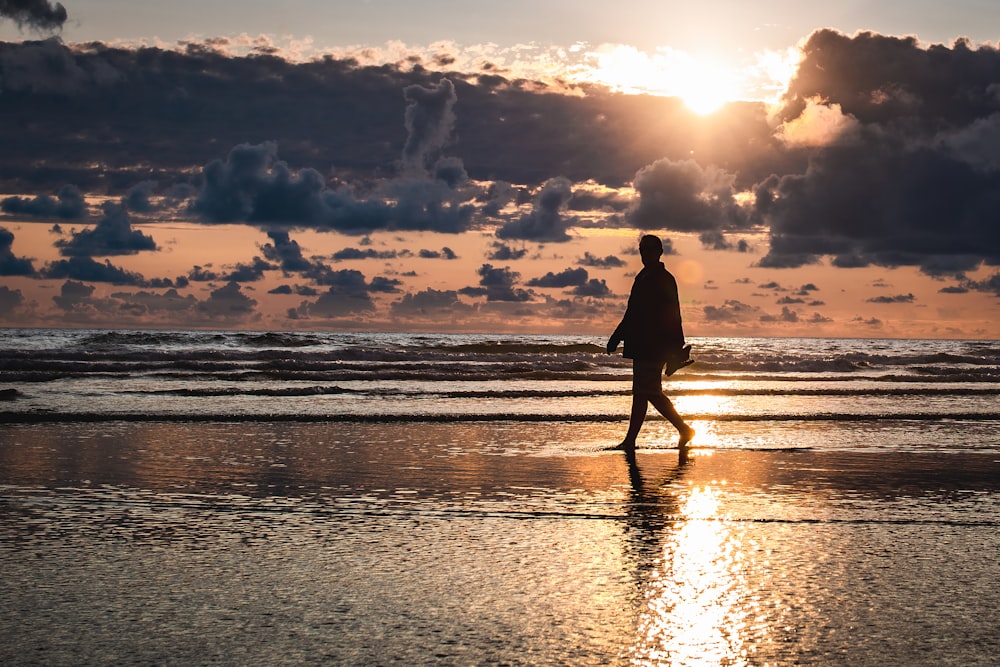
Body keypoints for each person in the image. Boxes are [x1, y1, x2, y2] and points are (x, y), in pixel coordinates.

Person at [607, 234, 694, 453]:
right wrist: (618, 335)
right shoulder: (643, 276)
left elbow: (674, 314)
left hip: (654, 346)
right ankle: (681, 429)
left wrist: (675, 348)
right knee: (646, 392)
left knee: (645, 392)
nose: (645, 255)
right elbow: (632, 311)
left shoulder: (664, 279)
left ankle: (633, 440)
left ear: (660, 252)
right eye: (642, 250)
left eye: (649, 250)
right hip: (641, 344)